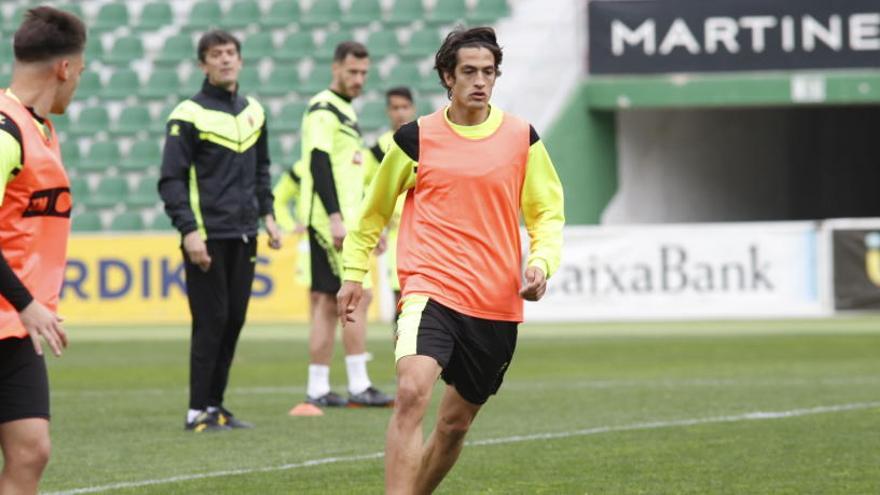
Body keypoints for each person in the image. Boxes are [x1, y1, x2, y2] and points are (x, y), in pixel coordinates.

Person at [337, 27, 565, 493]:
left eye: (488, 72)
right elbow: (372, 212)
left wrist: (541, 263)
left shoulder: (522, 138)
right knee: (411, 392)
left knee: (454, 426)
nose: (480, 81)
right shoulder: (415, 139)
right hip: (430, 289)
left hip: (496, 303)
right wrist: (354, 274)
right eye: (469, 72)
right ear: (447, 76)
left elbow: (547, 213)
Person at [158, 30, 281, 432]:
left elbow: (262, 170)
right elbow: (172, 180)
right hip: (207, 235)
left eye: (231, 53)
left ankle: (216, 406)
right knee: (211, 321)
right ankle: (196, 410)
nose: (225, 60)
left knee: (233, 321)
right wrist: (189, 231)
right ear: (203, 64)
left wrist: (269, 216)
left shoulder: (254, 112)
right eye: (216, 54)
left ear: (240, 60)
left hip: (246, 233)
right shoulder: (187, 115)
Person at [0, 6, 85, 493]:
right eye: (81, 72)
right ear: (65, 68)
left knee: (32, 450)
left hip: (12, 325)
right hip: (16, 311)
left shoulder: (40, 128)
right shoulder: (6, 131)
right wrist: (28, 303)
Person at [298, 41, 393, 408]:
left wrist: (370, 225)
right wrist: (336, 219)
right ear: (336, 68)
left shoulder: (344, 113)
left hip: (345, 221)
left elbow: (351, 176)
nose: (358, 79)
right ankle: (358, 384)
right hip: (329, 221)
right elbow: (319, 163)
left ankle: (319, 387)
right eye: (352, 72)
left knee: (326, 303)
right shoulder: (324, 109)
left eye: (364, 73)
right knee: (358, 295)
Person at [363, 87, 417, 317]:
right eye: (395, 108)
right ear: (388, 112)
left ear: (413, 109)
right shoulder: (378, 150)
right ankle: (403, 349)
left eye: (404, 107)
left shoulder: (425, 140)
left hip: (425, 229)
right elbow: (365, 188)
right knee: (401, 297)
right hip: (396, 233)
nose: (400, 113)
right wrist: (376, 228)